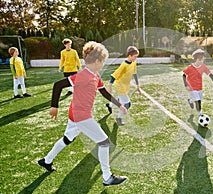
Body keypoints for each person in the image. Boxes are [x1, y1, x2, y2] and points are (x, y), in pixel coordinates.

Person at [38, 41, 128, 186]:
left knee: (67, 139)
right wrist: (54, 106)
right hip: (81, 116)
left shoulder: (95, 75)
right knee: (104, 143)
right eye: (103, 61)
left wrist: (119, 105)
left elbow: (104, 92)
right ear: (97, 61)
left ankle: (46, 160)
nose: (103, 64)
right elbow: (58, 85)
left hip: (75, 114)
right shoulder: (83, 75)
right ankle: (107, 178)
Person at [106, 46, 141, 126]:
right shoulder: (124, 65)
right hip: (120, 86)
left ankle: (110, 105)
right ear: (129, 55)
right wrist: (110, 85)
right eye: (135, 56)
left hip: (126, 86)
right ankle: (119, 118)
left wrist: (137, 85)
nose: (136, 58)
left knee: (119, 99)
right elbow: (114, 75)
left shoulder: (134, 63)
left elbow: (135, 74)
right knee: (127, 104)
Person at [182, 49, 213, 116]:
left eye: (203, 59)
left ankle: (190, 101)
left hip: (199, 87)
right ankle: (200, 115)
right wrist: (186, 85)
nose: (202, 61)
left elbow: (210, 74)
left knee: (198, 100)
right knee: (198, 101)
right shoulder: (190, 67)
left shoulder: (203, 67)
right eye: (201, 59)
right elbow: (184, 75)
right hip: (191, 87)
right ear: (196, 59)